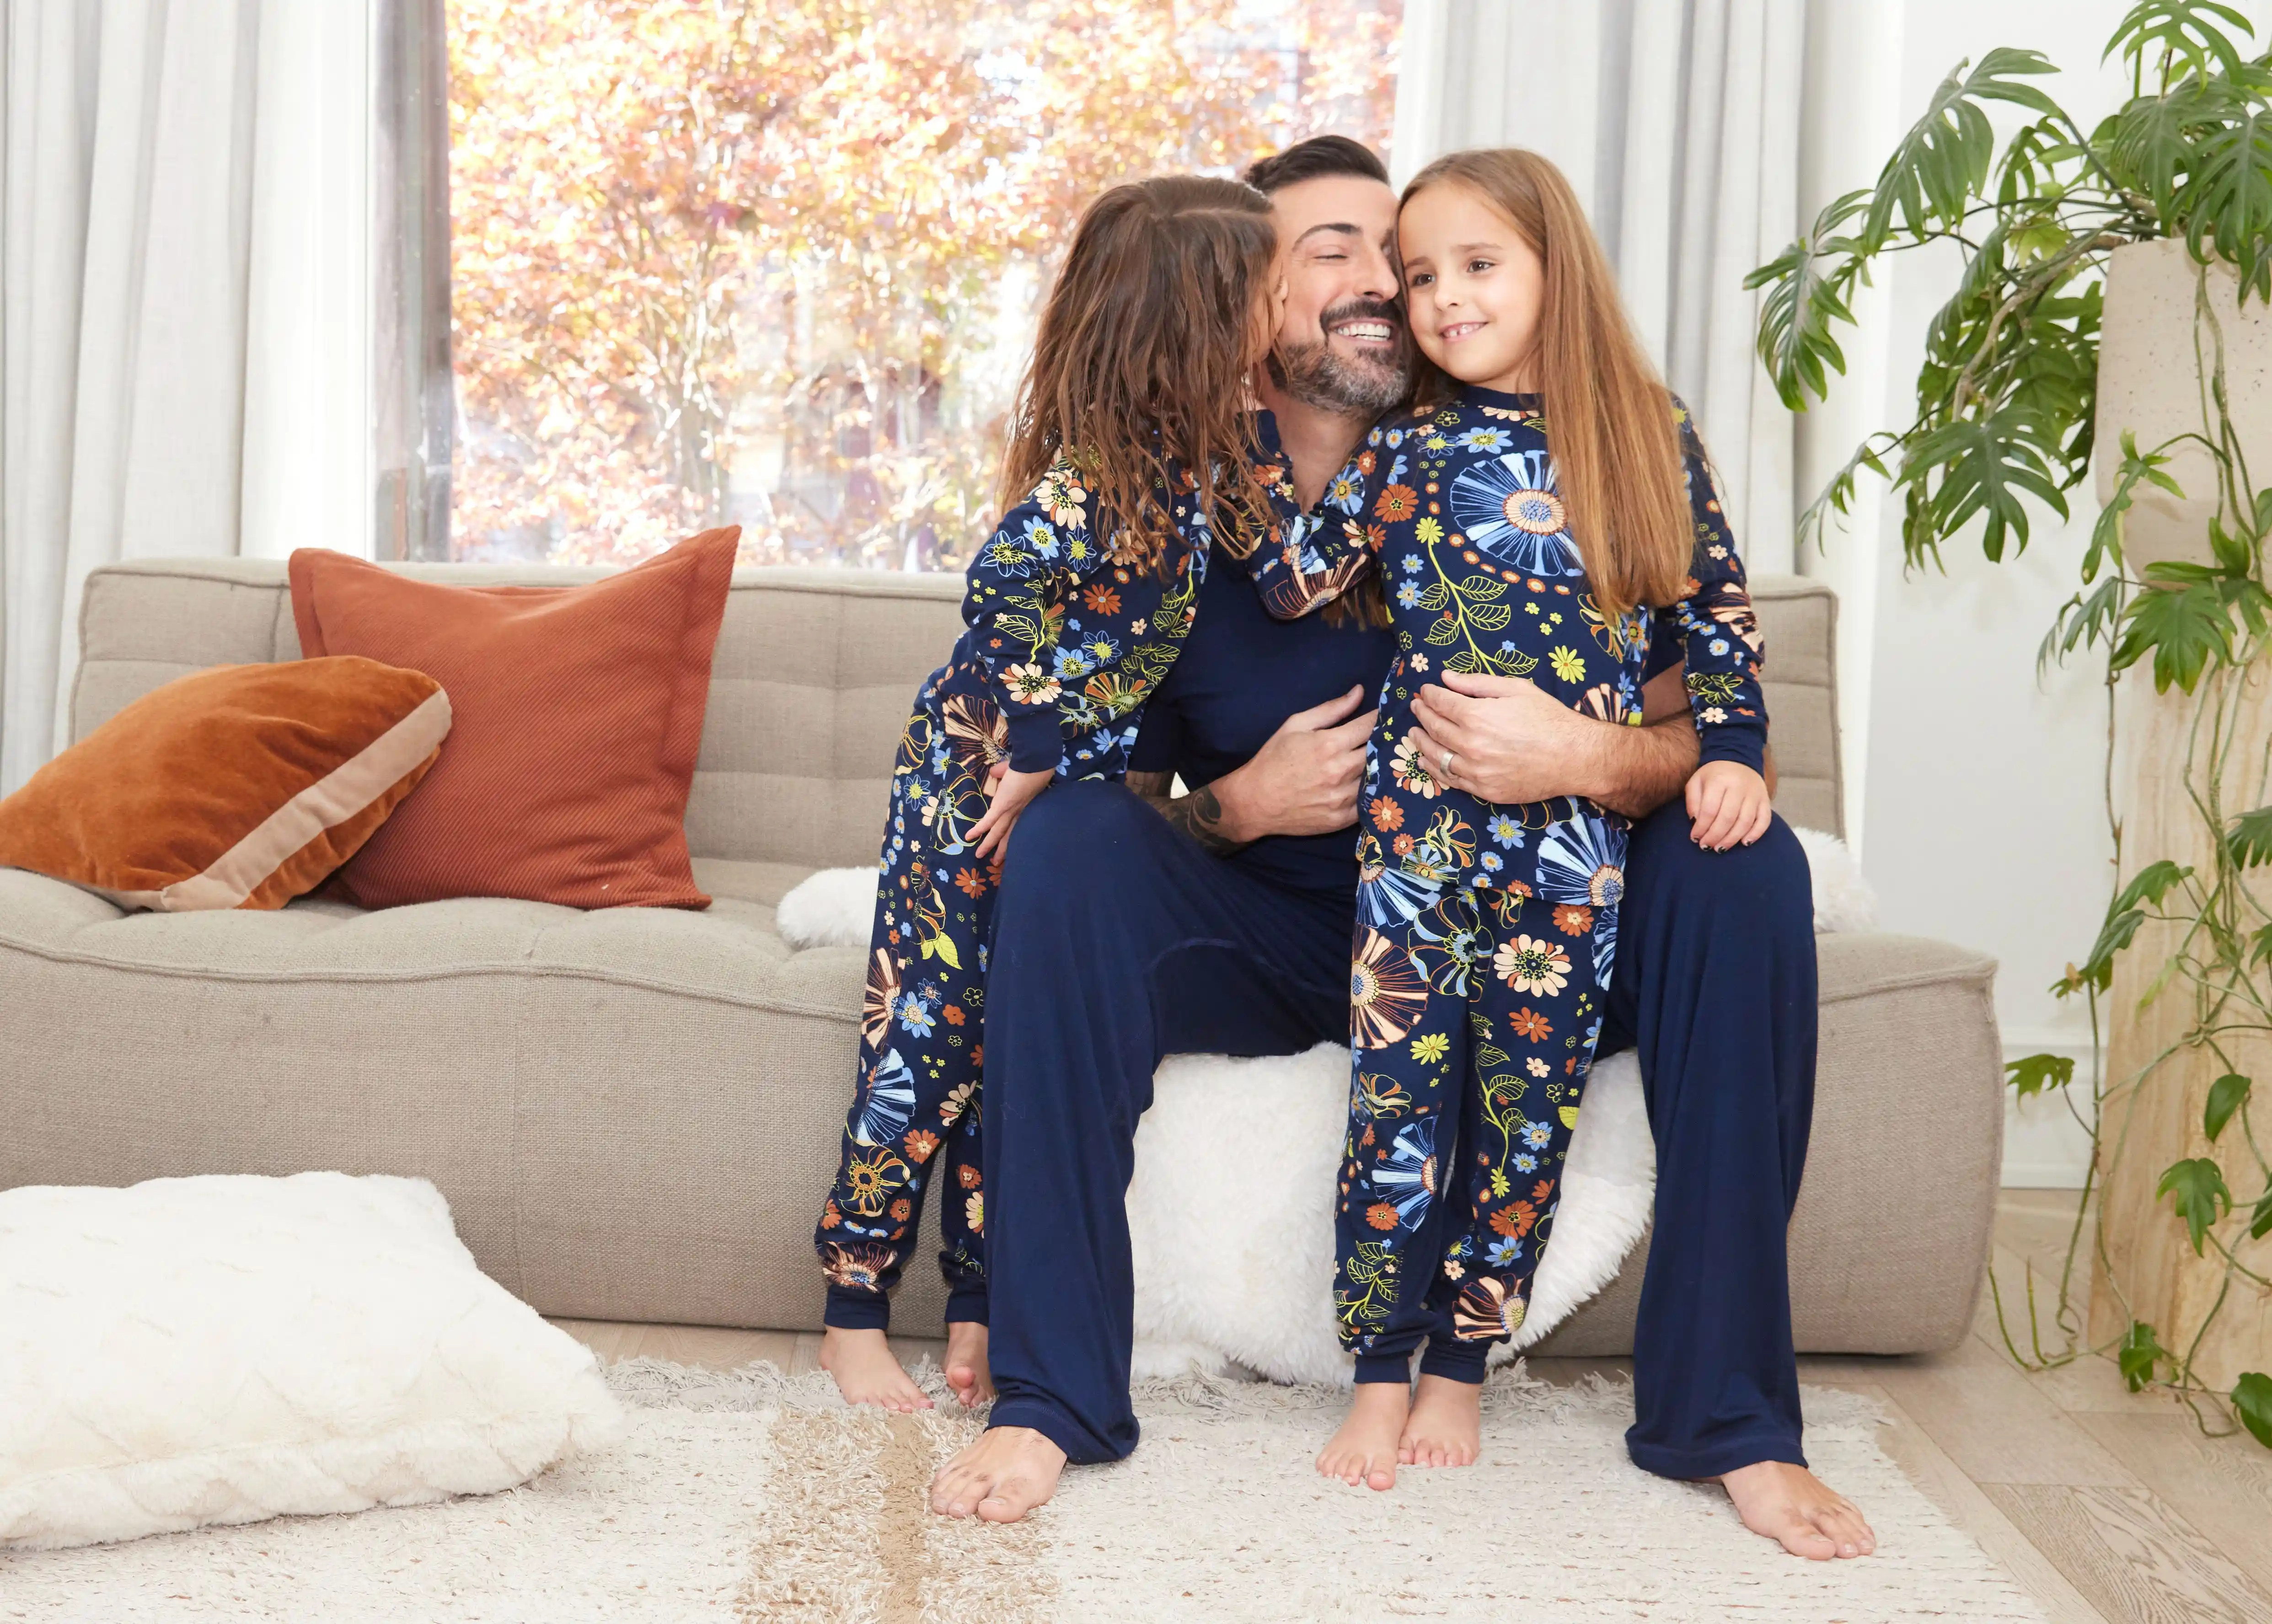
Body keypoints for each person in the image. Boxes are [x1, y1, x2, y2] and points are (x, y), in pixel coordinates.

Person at [927, 135, 1876, 1564]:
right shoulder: (1182, 506)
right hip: (1286, 927)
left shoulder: (1558, 460)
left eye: (1412, 254)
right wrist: (1233, 805)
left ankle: (1730, 1417)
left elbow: (1713, 715)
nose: (1390, 285)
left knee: (1751, 871)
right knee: (1067, 843)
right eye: (1339, 255)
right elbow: (1077, 763)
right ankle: (1056, 1389)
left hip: (1541, 911)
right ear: (1247, 308)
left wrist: (1595, 754)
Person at [1236, 145, 1773, 1487]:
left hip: (1574, 849)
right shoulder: (1405, 442)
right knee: (1399, 1096)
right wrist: (1232, 417)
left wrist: (1738, 755)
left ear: (1554, 269)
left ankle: (1462, 1366)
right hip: (1415, 837)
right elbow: (1300, 582)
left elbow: (1712, 612)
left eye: (1478, 267)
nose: (1443, 300)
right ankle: (1376, 1368)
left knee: (1527, 1106)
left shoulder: (1644, 432)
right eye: (1422, 277)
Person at [812, 175, 1285, 1415]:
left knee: (1005, 1045)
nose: (1281, 321)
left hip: (1083, 795)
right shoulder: (1094, 480)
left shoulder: (1210, 472)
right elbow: (1002, 590)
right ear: (1192, 324)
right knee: (926, 1035)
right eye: (1262, 300)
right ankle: (854, 1306)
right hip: (984, 774)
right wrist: (1031, 737)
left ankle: (978, 1299)